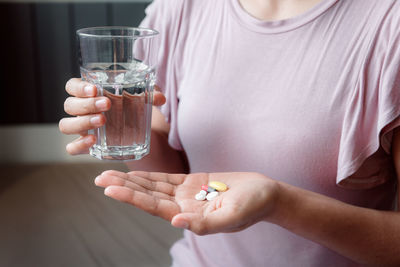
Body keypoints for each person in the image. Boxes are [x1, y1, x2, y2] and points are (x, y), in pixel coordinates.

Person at [59, 0, 400, 266]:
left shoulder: (389, 24)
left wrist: (281, 204)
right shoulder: (180, 9)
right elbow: (170, 175)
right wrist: (120, 127)